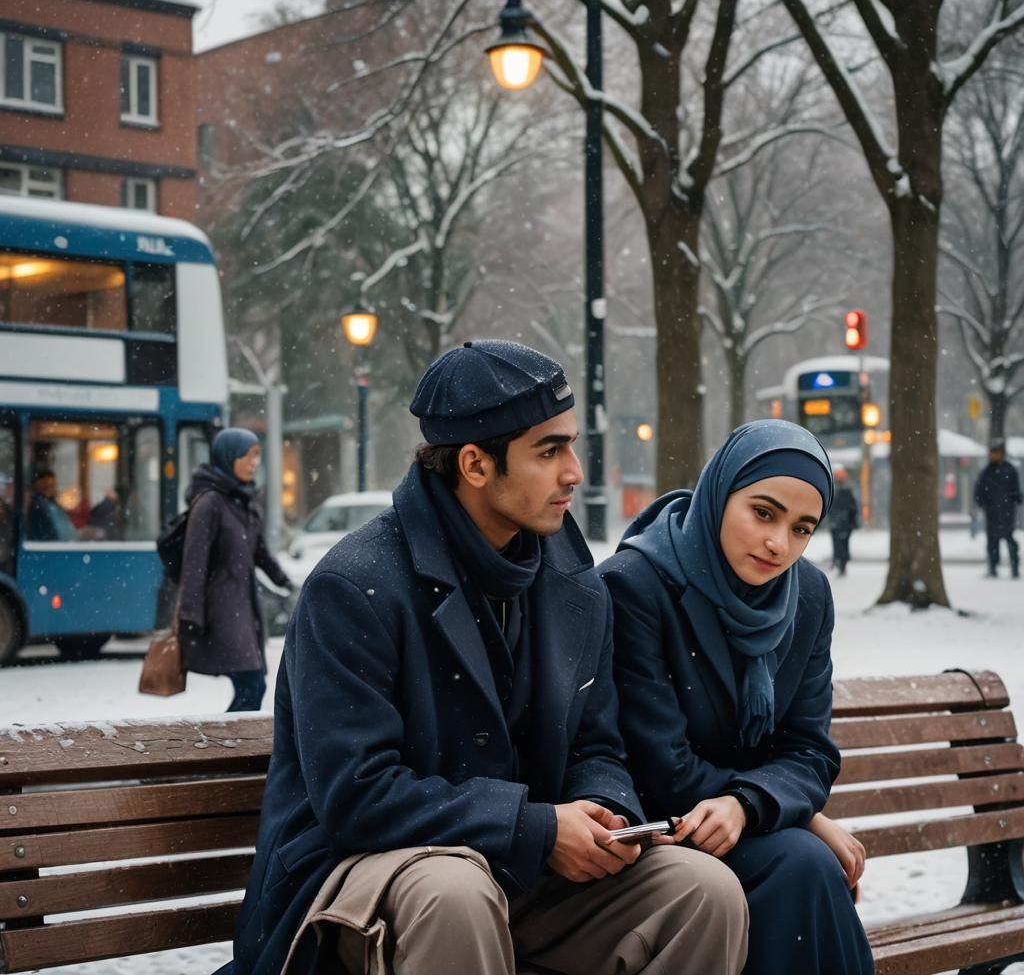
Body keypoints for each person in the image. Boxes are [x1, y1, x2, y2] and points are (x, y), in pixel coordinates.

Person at [220, 341, 748, 975]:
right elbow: (357, 796)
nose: (574, 472)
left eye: (572, 446)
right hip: (355, 876)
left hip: (516, 872)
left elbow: (597, 746)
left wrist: (604, 813)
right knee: (455, 893)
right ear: (474, 464)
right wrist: (534, 829)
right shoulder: (353, 586)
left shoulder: (576, 584)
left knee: (703, 892)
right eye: (549, 451)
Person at [599, 420, 874, 975]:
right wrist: (784, 814)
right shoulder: (637, 585)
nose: (779, 544)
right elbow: (661, 765)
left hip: (741, 823)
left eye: (802, 528)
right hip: (659, 829)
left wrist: (749, 806)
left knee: (807, 867)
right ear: (720, 493)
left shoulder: (808, 595)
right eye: (764, 513)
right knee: (803, 864)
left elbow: (809, 750)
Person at [177, 428, 293, 711]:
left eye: (257, 456)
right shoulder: (210, 503)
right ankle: (223, 739)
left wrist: (285, 581)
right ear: (229, 457)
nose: (254, 463)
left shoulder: (242, 501)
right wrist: (190, 615)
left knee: (252, 685)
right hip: (220, 610)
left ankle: (225, 738)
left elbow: (261, 553)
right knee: (252, 684)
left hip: (243, 607)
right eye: (248, 456)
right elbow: (194, 563)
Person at [974, 439, 1021, 578]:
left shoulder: (1009, 470)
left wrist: (1015, 498)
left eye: (996, 452)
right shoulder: (987, 472)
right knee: (992, 541)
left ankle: (1014, 567)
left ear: (1001, 454)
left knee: (1009, 539)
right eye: (992, 453)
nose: (994, 455)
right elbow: (979, 490)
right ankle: (993, 567)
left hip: (1007, 512)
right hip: (992, 512)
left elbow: (1016, 491)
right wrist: (982, 502)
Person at [26, 470, 77, 541]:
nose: (50, 488)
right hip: (50, 545)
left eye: (53, 485)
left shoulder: (54, 505)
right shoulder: (38, 505)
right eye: (47, 485)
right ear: (37, 484)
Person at [830, 466, 859, 576]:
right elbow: (853, 508)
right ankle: (840, 562)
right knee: (842, 544)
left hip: (840, 523)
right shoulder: (843, 491)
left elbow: (852, 508)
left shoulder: (837, 491)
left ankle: (840, 562)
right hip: (843, 523)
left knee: (840, 545)